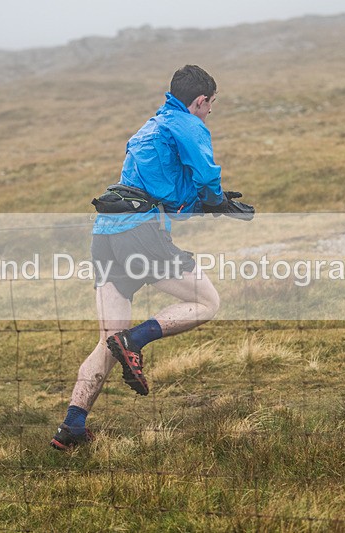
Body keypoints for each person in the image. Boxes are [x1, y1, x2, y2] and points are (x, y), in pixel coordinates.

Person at [51, 65, 252, 450]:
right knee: (206, 302)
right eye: (211, 105)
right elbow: (207, 177)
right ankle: (136, 340)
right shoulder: (187, 125)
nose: (210, 112)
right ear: (200, 101)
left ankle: (72, 426)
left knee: (106, 342)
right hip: (138, 233)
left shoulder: (151, 127)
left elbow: (164, 191)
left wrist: (205, 205)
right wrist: (215, 200)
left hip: (106, 234)